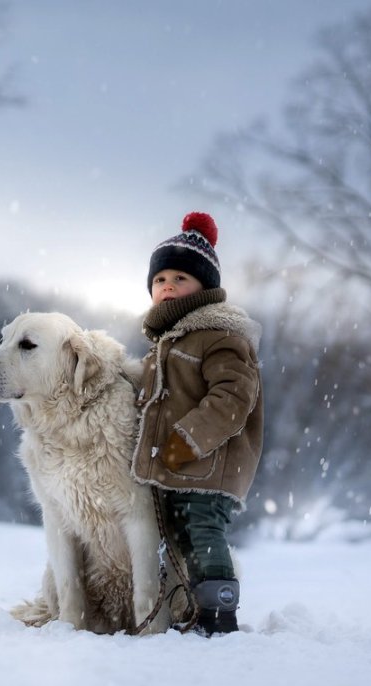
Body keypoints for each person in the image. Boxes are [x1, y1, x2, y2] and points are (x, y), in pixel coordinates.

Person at [131, 211, 263, 636]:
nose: (167, 285)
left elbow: (233, 396)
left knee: (203, 531)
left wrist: (188, 438)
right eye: (159, 279)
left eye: (180, 278)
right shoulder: (164, 345)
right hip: (176, 464)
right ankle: (190, 605)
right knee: (179, 539)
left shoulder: (220, 336)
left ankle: (220, 615)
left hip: (209, 461)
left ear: (205, 288)